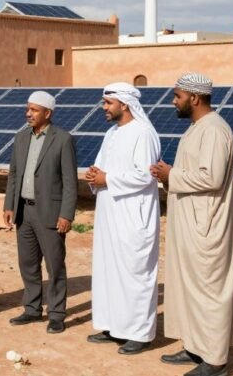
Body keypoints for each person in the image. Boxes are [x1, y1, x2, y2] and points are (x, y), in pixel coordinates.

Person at [151, 74, 233, 376]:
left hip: (207, 226)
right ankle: (195, 347)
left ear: (195, 97)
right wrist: (167, 177)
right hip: (190, 223)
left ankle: (215, 361)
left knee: (209, 292)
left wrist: (171, 175)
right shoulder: (197, 129)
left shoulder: (214, 130)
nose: (173, 101)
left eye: (177, 96)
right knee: (189, 289)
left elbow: (211, 178)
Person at [84, 82, 161, 355]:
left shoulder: (144, 133)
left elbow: (146, 174)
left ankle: (139, 333)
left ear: (124, 104)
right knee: (109, 270)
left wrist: (107, 179)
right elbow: (101, 166)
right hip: (109, 212)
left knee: (135, 273)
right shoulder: (111, 134)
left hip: (133, 214)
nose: (103, 108)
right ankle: (114, 326)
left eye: (108, 103)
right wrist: (95, 175)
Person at [3, 91, 77, 334]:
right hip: (24, 211)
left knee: (55, 265)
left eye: (34, 110)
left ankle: (56, 313)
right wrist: (9, 205)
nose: (28, 114)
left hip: (51, 213)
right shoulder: (21, 137)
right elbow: (14, 174)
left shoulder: (63, 139)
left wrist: (66, 214)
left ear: (48, 113)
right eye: (28, 109)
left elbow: (69, 181)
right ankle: (32, 308)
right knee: (28, 263)